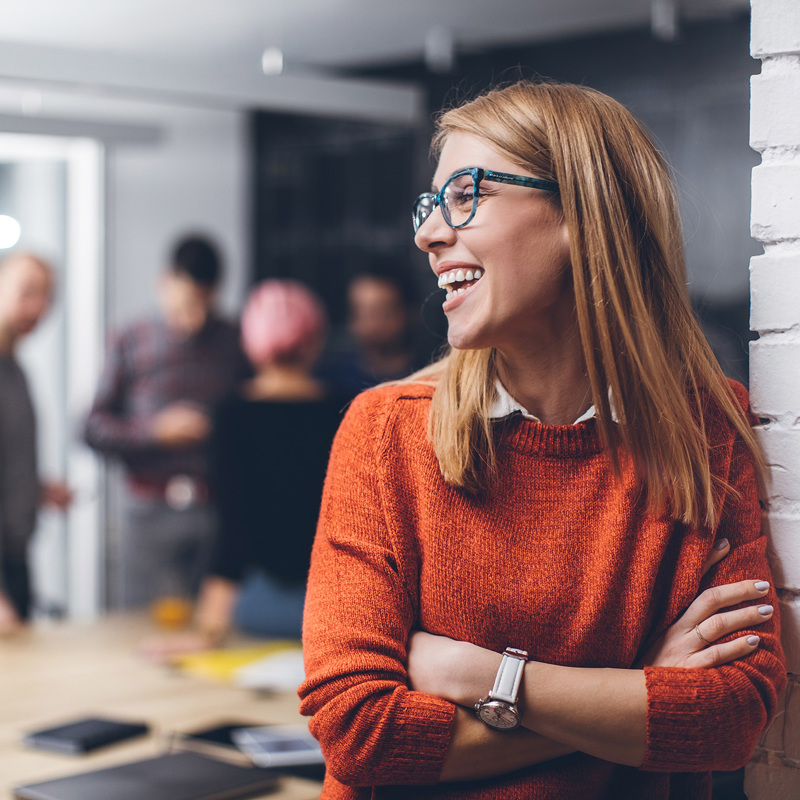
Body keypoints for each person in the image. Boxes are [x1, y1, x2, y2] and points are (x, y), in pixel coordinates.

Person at [298, 81, 786, 799]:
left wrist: (486, 680)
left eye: (465, 194)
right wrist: (636, 692)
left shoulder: (707, 432)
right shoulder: (385, 432)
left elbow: (732, 718)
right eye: (431, 205)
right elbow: (361, 733)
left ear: (581, 217)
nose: (428, 233)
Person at [141, 279, 346, 659]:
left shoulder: (231, 415)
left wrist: (207, 631)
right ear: (315, 338)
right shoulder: (347, 410)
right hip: (336, 607)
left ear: (251, 340)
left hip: (259, 607)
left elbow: (232, 527)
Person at [83, 234, 251, 609]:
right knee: (137, 625)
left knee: (212, 630)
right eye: (187, 302)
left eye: (206, 302)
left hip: (215, 510)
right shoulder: (130, 338)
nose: (196, 317)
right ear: (164, 282)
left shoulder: (233, 339)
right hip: (147, 511)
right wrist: (153, 432)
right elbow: (92, 426)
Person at [0, 252, 72, 634]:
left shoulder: (16, 369)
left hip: (16, 557)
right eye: (27, 292)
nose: (38, 307)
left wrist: (35, 488)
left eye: (47, 297)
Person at [316, 267, 432, 398]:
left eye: (383, 313)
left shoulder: (429, 378)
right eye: (362, 313)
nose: (372, 324)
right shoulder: (331, 382)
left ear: (409, 314)